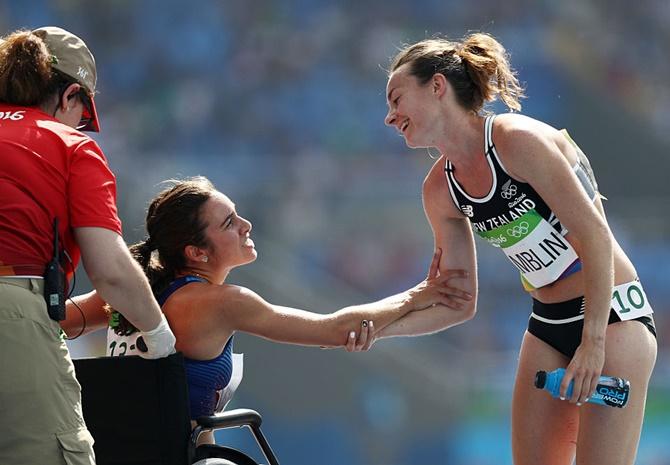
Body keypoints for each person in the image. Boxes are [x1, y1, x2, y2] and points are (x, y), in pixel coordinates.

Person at [379, 32, 657, 465]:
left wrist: (593, 343)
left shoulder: (516, 140)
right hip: (547, 322)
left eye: (396, 100)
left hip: (613, 316)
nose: (389, 117)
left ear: (437, 87)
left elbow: (595, 236)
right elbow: (458, 302)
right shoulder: (439, 190)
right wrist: (378, 329)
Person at [59, 176, 472, 436]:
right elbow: (332, 330)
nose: (246, 225)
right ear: (197, 253)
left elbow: (62, 323)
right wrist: (418, 295)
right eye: (229, 223)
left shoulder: (135, 289)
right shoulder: (223, 303)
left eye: (238, 215)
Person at [0, 27, 176, 465]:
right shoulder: (69, 146)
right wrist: (158, 334)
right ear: (70, 95)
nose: (81, 125)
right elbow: (111, 271)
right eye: (83, 113)